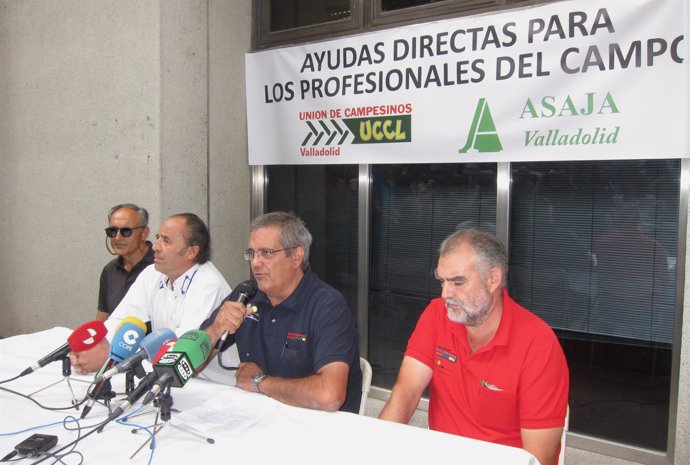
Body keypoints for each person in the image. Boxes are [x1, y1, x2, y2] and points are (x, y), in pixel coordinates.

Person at [378, 228, 569, 465]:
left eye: (458, 282)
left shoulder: (538, 345)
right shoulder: (437, 315)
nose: (446, 293)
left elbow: (538, 459)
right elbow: (405, 394)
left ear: (493, 279)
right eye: (442, 281)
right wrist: (377, 450)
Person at [202, 211, 362, 413]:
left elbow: (328, 396)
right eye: (251, 253)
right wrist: (215, 330)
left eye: (267, 253)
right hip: (256, 418)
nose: (255, 262)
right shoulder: (246, 294)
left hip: (316, 429)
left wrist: (259, 382)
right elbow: (185, 365)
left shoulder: (327, 306)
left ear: (296, 256)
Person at [70, 213, 231, 374]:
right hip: (168, 378)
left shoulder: (209, 284)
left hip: (214, 384)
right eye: (157, 237)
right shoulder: (152, 273)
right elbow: (122, 320)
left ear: (192, 252)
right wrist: (99, 348)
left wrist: (109, 357)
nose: (155, 246)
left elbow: (183, 353)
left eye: (166, 241)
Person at [96, 203, 154, 321]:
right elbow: (102, 319)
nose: (117, 238)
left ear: (144, 233)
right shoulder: (110, 270)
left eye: (126, 231)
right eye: (112, 231)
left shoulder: (161, 266)